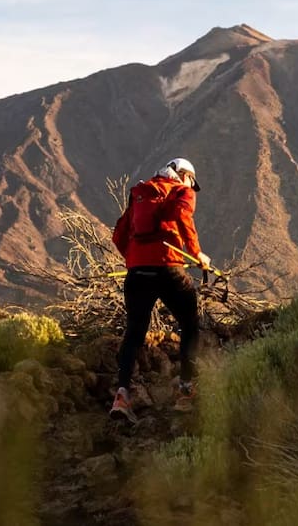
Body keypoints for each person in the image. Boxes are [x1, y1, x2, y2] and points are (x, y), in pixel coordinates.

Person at [109, 157, 211, 423]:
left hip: (137, 273)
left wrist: (135, 260)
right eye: (192, 180)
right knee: (190, 324)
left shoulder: (141, 193)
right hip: (168, 269)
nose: (192, 185)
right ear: (183, 175)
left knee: (133, 333)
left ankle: (122, 395)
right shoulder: (181, 192)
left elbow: (118, 234)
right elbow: (182, 217)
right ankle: (186, 390)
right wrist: (197, 253)